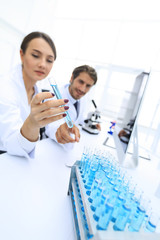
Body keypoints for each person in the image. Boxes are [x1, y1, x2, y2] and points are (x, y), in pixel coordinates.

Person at [0, 31, 73, 158]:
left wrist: (60, 130)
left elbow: (48, 125)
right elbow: (12, 144)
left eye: (49, 60)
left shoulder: (39, 88)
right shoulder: (5, 88)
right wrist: (32, 125)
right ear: (22, 55)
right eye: (35, 55)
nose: (43, 65)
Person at [45, 65, 100, 146]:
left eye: (88, 86)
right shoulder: (55, 96)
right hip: (51, 145)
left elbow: (78, 118)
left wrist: (90, 123)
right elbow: (50, 126)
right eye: (81, 82)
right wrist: (59, 130)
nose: (82, 89)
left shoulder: (82, 97)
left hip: (71, 144)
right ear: (72, 78)